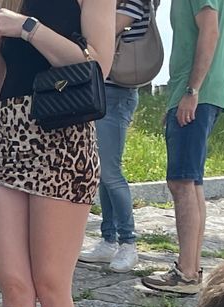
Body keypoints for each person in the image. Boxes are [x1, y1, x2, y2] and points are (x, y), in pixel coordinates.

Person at [0, 0, 116, 307]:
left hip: (63, 146)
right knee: (13, 286)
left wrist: (29, 28)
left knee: (50, 285)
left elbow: (98, 66)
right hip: (6, 144)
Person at [137, 0, 224, 296]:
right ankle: (191, 269)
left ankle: (186, 273)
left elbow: (210, 32)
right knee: (192, 182)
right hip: (196, 95)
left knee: (182, 182)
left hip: (198, 95)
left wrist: (191, 92)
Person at [79, 0, 153, 273]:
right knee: (102, 172)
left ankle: (128, 243)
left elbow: (105, 30)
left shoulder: (133, 3)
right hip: (102, 90)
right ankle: (109, 239)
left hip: (117, 93)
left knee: (111, 172)